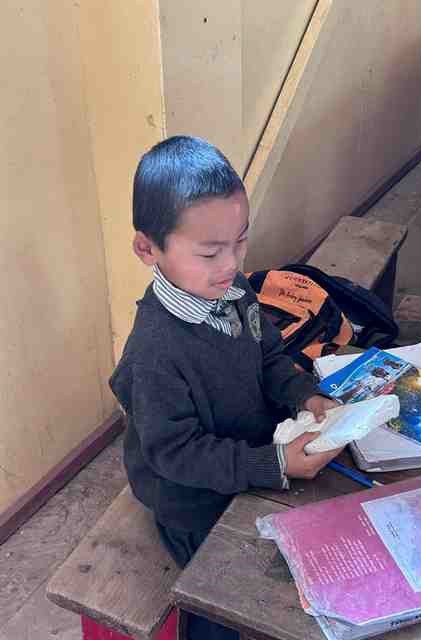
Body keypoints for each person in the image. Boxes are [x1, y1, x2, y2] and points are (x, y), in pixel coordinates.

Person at [109, 136, 342, 639]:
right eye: (211, 251)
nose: (232, 263)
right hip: (191, 500)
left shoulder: (235, 290)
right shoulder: (155, 352)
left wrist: (306, 395)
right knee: (235, 603)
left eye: (240, 240)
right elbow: (177, 455)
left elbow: (269, 358)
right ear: (147, 249)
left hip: (253, 454)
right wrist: (273, 465)